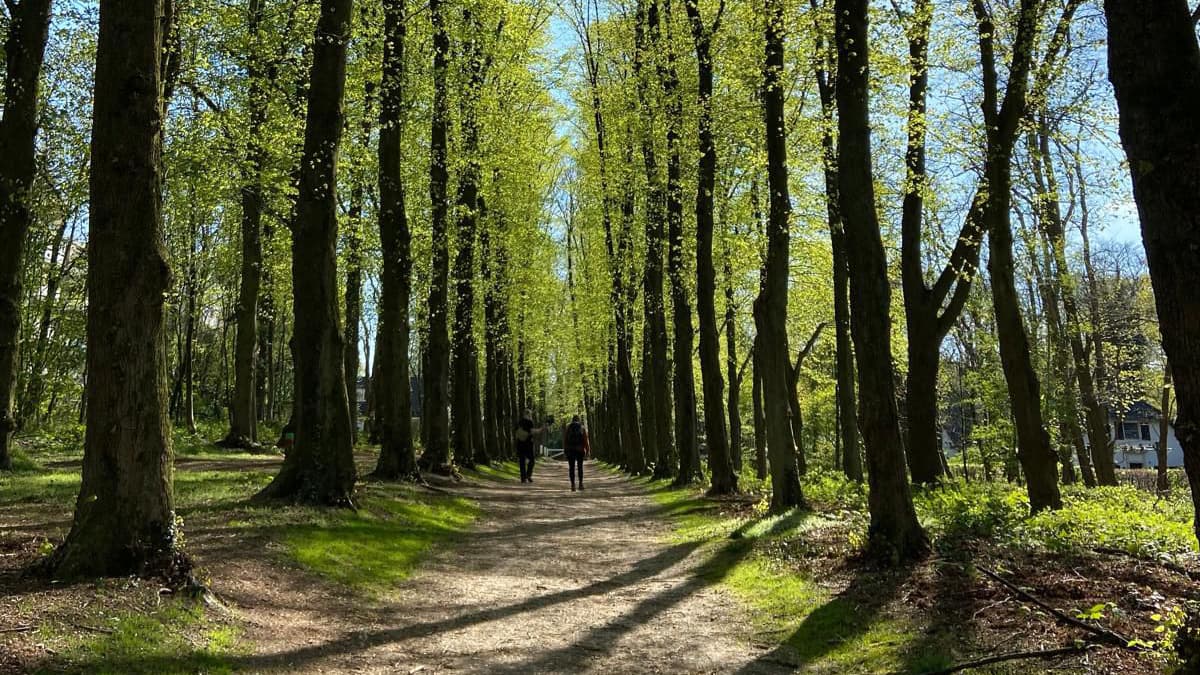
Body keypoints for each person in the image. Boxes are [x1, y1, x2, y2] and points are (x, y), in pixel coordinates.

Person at [563, 414, 590, 491]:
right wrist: (587, 450)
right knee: (580, 467)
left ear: (572, 420)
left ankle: (573, 485)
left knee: (571, 468)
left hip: (570, 450)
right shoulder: (582, 428)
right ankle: (581, 484)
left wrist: (565, 451)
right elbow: (585, 440)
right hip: (580, 450)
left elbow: (565, 440)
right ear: (578, 420)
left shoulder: (568, 427)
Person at [516, 409, 540, 483]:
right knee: (532, 460)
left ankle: (523, 478)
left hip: (520, 443)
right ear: (529, 414)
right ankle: (528, 475)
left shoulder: (519, 422)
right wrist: (540, 430)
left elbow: (516, 432)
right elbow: (532, 431)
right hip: (528, 444)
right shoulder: (530, 422)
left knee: (522, 461)